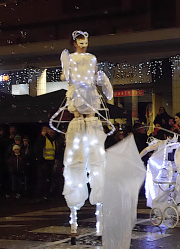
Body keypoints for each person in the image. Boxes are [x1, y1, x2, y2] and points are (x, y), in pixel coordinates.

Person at [56, 30, 114, 242]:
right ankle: (74, 222)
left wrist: (100, 80)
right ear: (75, 43)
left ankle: (99, 223)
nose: (84, 46)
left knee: (98, 166)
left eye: (86, 42)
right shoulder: (70, 60)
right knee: (75, 166)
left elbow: (105, 89)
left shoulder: (92, 60)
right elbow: (66, 76)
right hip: (78, 120)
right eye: (81, 43)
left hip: (92, 121)